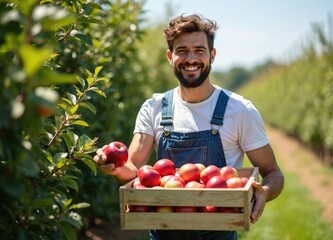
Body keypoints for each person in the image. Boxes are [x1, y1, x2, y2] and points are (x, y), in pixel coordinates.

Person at [94, 14, 284, 240]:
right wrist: (116, 167)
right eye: (182, 50)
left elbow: (273, 173)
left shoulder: (240, 110)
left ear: (212, 55)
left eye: (200, 50)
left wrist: (264, 191)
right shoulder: (154, 108)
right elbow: (134, 169)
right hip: (163, 232)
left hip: (218, 235)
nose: (191, 58)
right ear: (169, 56)